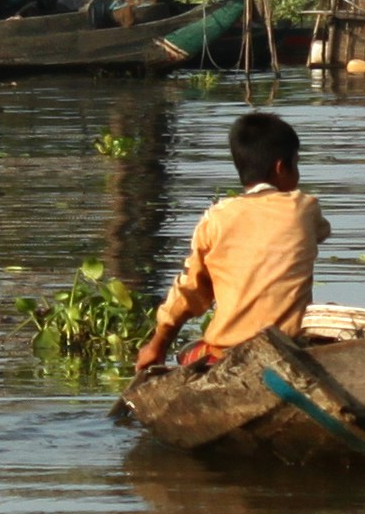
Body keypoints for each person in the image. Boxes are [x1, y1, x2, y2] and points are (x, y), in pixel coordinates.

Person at [136, 110, 325, 375]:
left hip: (226, 353)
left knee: (187, 354)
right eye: (297, 163)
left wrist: (157, 345)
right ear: (282, 167)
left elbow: (190, 290)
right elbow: (320, 232)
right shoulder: (305, 208)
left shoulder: (216, 218)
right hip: (288, 348)